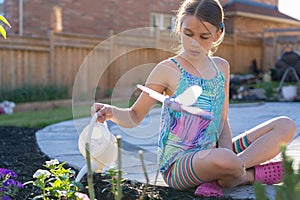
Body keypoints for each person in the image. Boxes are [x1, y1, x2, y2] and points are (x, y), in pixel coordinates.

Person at [91, 0, 296, 197]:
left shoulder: (221, 67)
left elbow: (221, 121)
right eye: (188, 34)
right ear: (179, 28)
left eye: (204, 36)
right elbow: (134, 115)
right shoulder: (167, 70)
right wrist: (111, 112)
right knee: (224, 158)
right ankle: (247, 175)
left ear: (218, 34)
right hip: (179, 165)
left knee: (285, 126)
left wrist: (228, 156)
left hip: (214, 152)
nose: (194, 43)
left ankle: (231, 172)